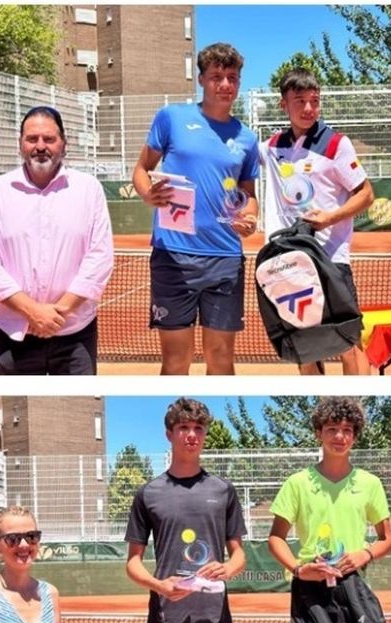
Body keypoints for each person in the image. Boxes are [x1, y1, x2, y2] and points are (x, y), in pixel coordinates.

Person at [131, 42, 260, 375]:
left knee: (221, 360)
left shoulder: (246, 138)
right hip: (173, 255)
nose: (225, 84)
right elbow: (141, 169)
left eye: (232, 77)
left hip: (225, 259)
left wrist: (250, 217)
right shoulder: (171, 117)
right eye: (217, 76)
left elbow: (248, 194)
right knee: (176, 362)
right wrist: (148, 195)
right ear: (201, 79)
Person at [268, 396, 391, 623]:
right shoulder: (297, 483)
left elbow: (387, 540)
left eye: (347, 430)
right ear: (319, 433)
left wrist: (364, 553)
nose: (340, 436)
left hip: (352, 589)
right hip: (310, 590)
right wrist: (299, 568)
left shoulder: (370, 483)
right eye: (332, 429)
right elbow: (275, 538)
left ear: (355, 435)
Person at [124, 398, 247, 623]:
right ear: (169, 434)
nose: (191, 435)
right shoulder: (148, 494)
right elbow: (133, 563)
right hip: (165, 622)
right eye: (183, 428)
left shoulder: (223, 490)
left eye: (198, 428)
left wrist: (227, 568)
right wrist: (158, 585)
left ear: (205, 434)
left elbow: (239, 556)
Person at [0, 106, 113, 375]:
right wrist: (32, 312)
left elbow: (100, 258)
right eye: (32, 139)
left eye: (49, 139)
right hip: (13, 332)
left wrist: (57, 314)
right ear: (20, 144)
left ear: (64, 144)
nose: (40, 146)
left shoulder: (88, 189)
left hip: (75, 333)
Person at [261, 67, 374, 376]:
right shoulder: (271, 147)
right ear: (283, 105)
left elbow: (365, 194)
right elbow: (235, 161)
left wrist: (329, 218)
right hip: (289, 262)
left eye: (315, 100)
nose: (309, 108)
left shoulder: (337, 144)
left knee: (348, 341)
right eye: (300, 101)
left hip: (331, 260)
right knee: (303, 344)